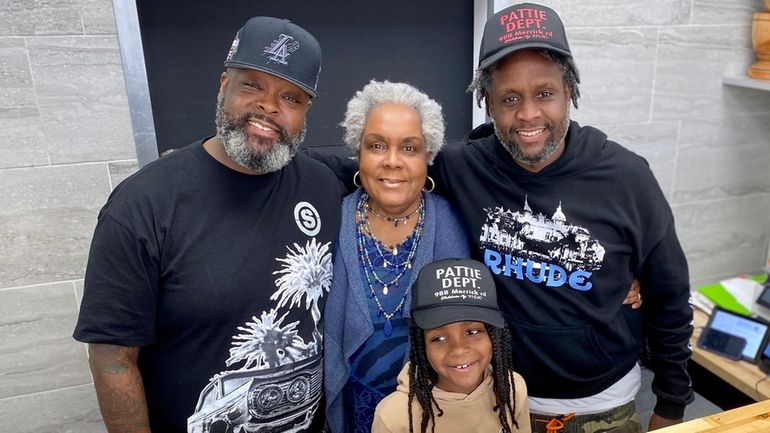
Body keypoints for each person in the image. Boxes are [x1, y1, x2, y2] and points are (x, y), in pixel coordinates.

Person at [73, 17, 344, 433]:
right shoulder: (144, 204)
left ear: (306, 111)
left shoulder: (323, 186)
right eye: (252, 84)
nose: (269, 107)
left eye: (290, 96)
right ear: (223, 86)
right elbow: (112, 357)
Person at [431, 3, 693, 432]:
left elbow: (669, 296)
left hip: (602, 407)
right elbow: (381, 171)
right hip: (496, 400)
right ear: (486, 102)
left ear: (569, 91)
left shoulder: (626, 178)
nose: (529, 114)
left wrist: (673, 401)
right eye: (509, 98)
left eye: (545, 93)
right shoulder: (461, 166)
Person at [323, 81, 471, 433]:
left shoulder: (455, 223)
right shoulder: (330, 219)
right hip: (351, 410)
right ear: (358, 153)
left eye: (409, 147)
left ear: (427, 156)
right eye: (377, 146)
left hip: (433, 415)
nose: (392, 161)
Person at [371, 258, 531, 433]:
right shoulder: (394, 418)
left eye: (472, 332)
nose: (458, 349)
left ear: (494, 335)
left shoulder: (512, 388)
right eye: (439, 338)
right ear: (422, 345)